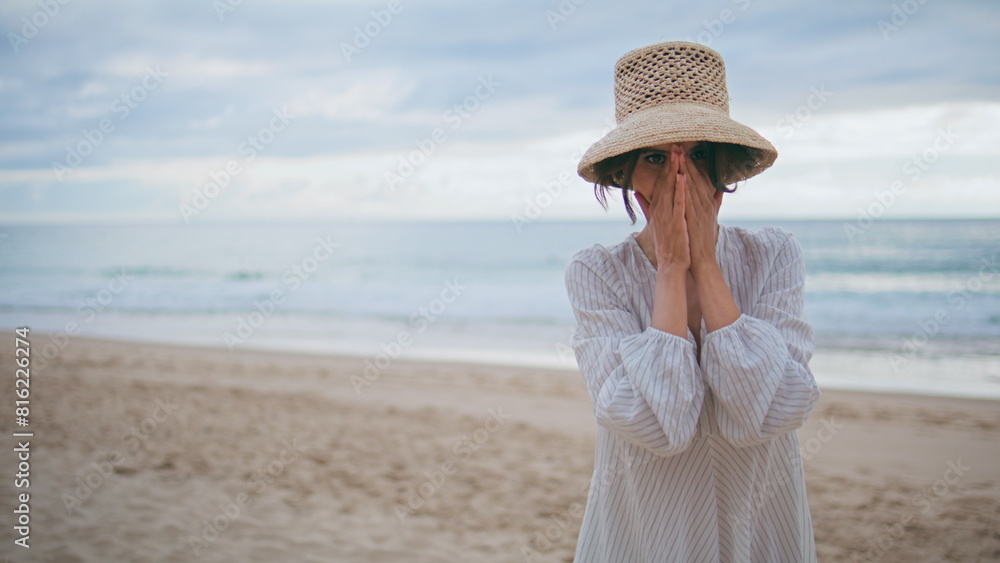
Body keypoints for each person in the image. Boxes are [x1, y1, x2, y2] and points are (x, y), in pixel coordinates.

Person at [565, 41, 821, 562]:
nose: (678, 178)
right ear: (629, 175)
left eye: (698, 155)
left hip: (760, 529)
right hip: (644, 534)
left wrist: (706, 265)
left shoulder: (773, 256)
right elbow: (658, 426)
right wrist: (672, 272)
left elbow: (770, 412)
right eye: (656, 158)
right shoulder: (597, 273)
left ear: (723, 167)